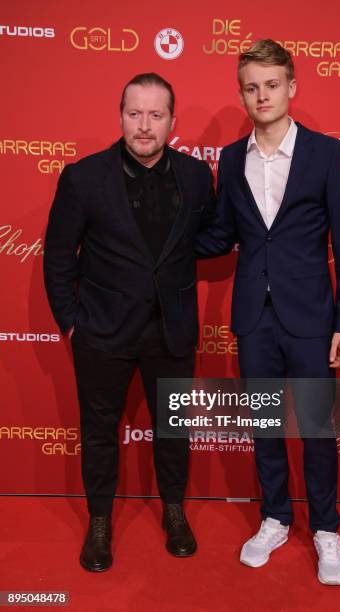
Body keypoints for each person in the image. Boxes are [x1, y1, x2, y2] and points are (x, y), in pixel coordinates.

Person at [196, 40, 340, 585]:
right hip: (253, 316)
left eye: (272, 84)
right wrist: (165, 237)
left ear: (291, 87)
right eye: (251, 86)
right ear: (241, 92)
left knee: (316, 427)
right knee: (265, 426)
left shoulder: (327, 154)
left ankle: (326, 529)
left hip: (313, 314)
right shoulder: (230, 158)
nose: (262, 95)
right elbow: (223, 233)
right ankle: (273, 516)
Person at [44, 72, 215, 571]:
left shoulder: (196, 176)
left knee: (174, 429)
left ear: (171, 122)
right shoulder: (84, 177)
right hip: (101, 332)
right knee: (99, 432)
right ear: (120, 116)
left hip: (172, 329)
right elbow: (58, 259)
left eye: (155, 115)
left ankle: (175, 512)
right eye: (134, 113)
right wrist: (73, 324)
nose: (144, 126)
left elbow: (208, 237)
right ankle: (99, 522)